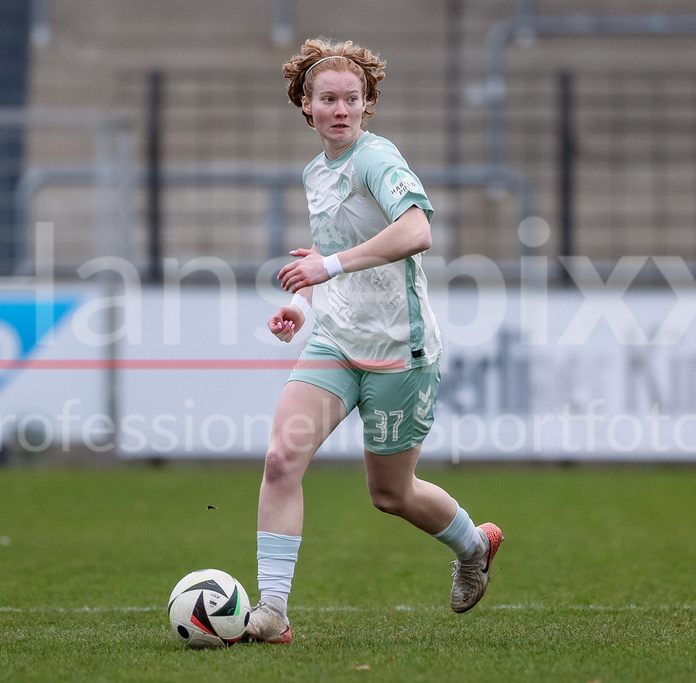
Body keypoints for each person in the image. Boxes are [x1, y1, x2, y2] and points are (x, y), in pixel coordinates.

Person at [245, 37, 503, 644]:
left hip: (399, 352)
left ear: (367, 105)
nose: (341, 108)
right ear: (305, 106)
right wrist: (300, 300)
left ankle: (473, 545)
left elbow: (417, 232)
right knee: (282, 459)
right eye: (328, 98)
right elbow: (329, 255)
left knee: (391, 494)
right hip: (335, 343)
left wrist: (327, 269)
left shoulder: (376, 158)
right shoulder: (317, 171)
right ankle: (273, 611)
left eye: (352, 98)